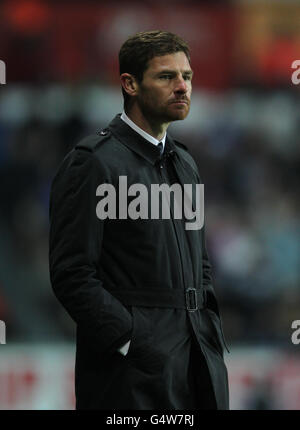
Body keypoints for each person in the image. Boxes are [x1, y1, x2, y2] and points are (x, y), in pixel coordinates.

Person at [49, 30, 229, 410]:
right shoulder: (93, 162)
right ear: (130, 84)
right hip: (131, 374)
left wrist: (208, 325)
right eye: (167, 76)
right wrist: (132, 340)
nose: (182, 87)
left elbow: (202, 264)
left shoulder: (186, 162)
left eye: (188, 76)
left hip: (197, 358)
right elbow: (72, 273)